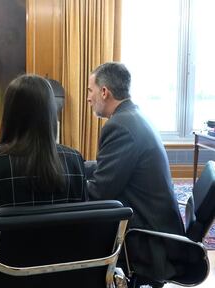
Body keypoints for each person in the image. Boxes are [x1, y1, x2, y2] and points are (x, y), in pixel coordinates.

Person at [0, 74, 88, 284]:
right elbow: (82, 233)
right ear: (51, 113)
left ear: (10, 114)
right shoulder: (74, 160)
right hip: (61, 278)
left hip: (3, 280)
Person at [86, 62, 185, 286]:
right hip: (158, 227)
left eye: (90, 91)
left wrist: (66, 184)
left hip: (148, 240)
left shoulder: (120, 126)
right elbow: (112, 167)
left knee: (73, 230)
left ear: (104, 92)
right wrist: (77, 167)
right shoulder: (133, 115)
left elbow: (99, 193)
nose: (89, 98)